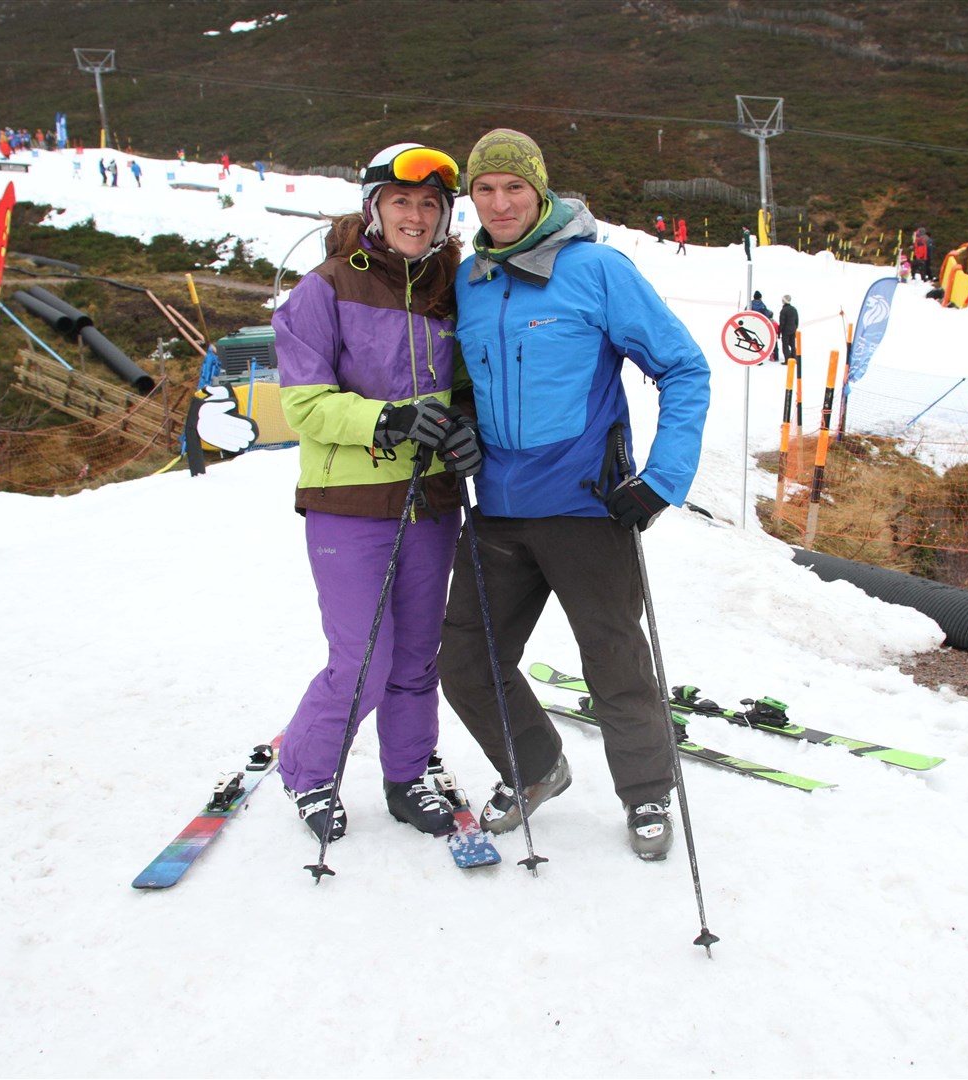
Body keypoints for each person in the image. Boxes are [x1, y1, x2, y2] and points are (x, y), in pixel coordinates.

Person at [439, 128, 711, 861]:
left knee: (614, 657)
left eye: (514, 187)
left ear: (541, 191)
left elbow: (685, 369)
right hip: (497, 506)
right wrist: (461, 426)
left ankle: (647, 794)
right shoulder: (470, 279)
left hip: (587, 505)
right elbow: (469, 382)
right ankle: (534, 765)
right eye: (484, 189)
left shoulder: (595, 270)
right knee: (463, 653)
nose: (499, 202)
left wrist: (660, 481)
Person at [270, 142, 483, 844]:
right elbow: (303, 405)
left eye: (430, 204)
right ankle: (307, 770)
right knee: (365, 656)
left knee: (419, 655)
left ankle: (408, 772)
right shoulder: (325, 288)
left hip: (429, 502)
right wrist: (387, 419)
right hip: (349, 505)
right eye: (401, 201)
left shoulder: (452, 289)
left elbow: (460, 388)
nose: (415, 216)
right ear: (374, 208)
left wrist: (463, 428)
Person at [778, 294, 799, 365]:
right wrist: (795, 328)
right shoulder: (794, 309)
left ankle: (788, 360)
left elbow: (782, 323)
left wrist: (779, 331)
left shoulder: (783, 311)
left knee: (785, 345)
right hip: (793, 329)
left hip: (785, 331)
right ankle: (794, 358)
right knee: (793, 344)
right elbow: (797, 320)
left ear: (784, 301)